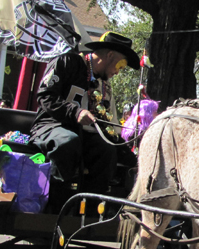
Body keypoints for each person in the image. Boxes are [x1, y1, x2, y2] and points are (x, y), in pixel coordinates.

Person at [30, 31, 140, 193]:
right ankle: (54, 201)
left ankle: (90, 204)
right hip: (50, 126)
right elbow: (45, 96)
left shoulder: (103, 86)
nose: (118, 72)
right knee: (68, 142)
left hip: (83, 135)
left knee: (107, 150)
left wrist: (136, 160)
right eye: (120, 65)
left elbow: (106, 129)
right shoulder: (67, 61)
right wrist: (75, 112)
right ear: (110, 55)